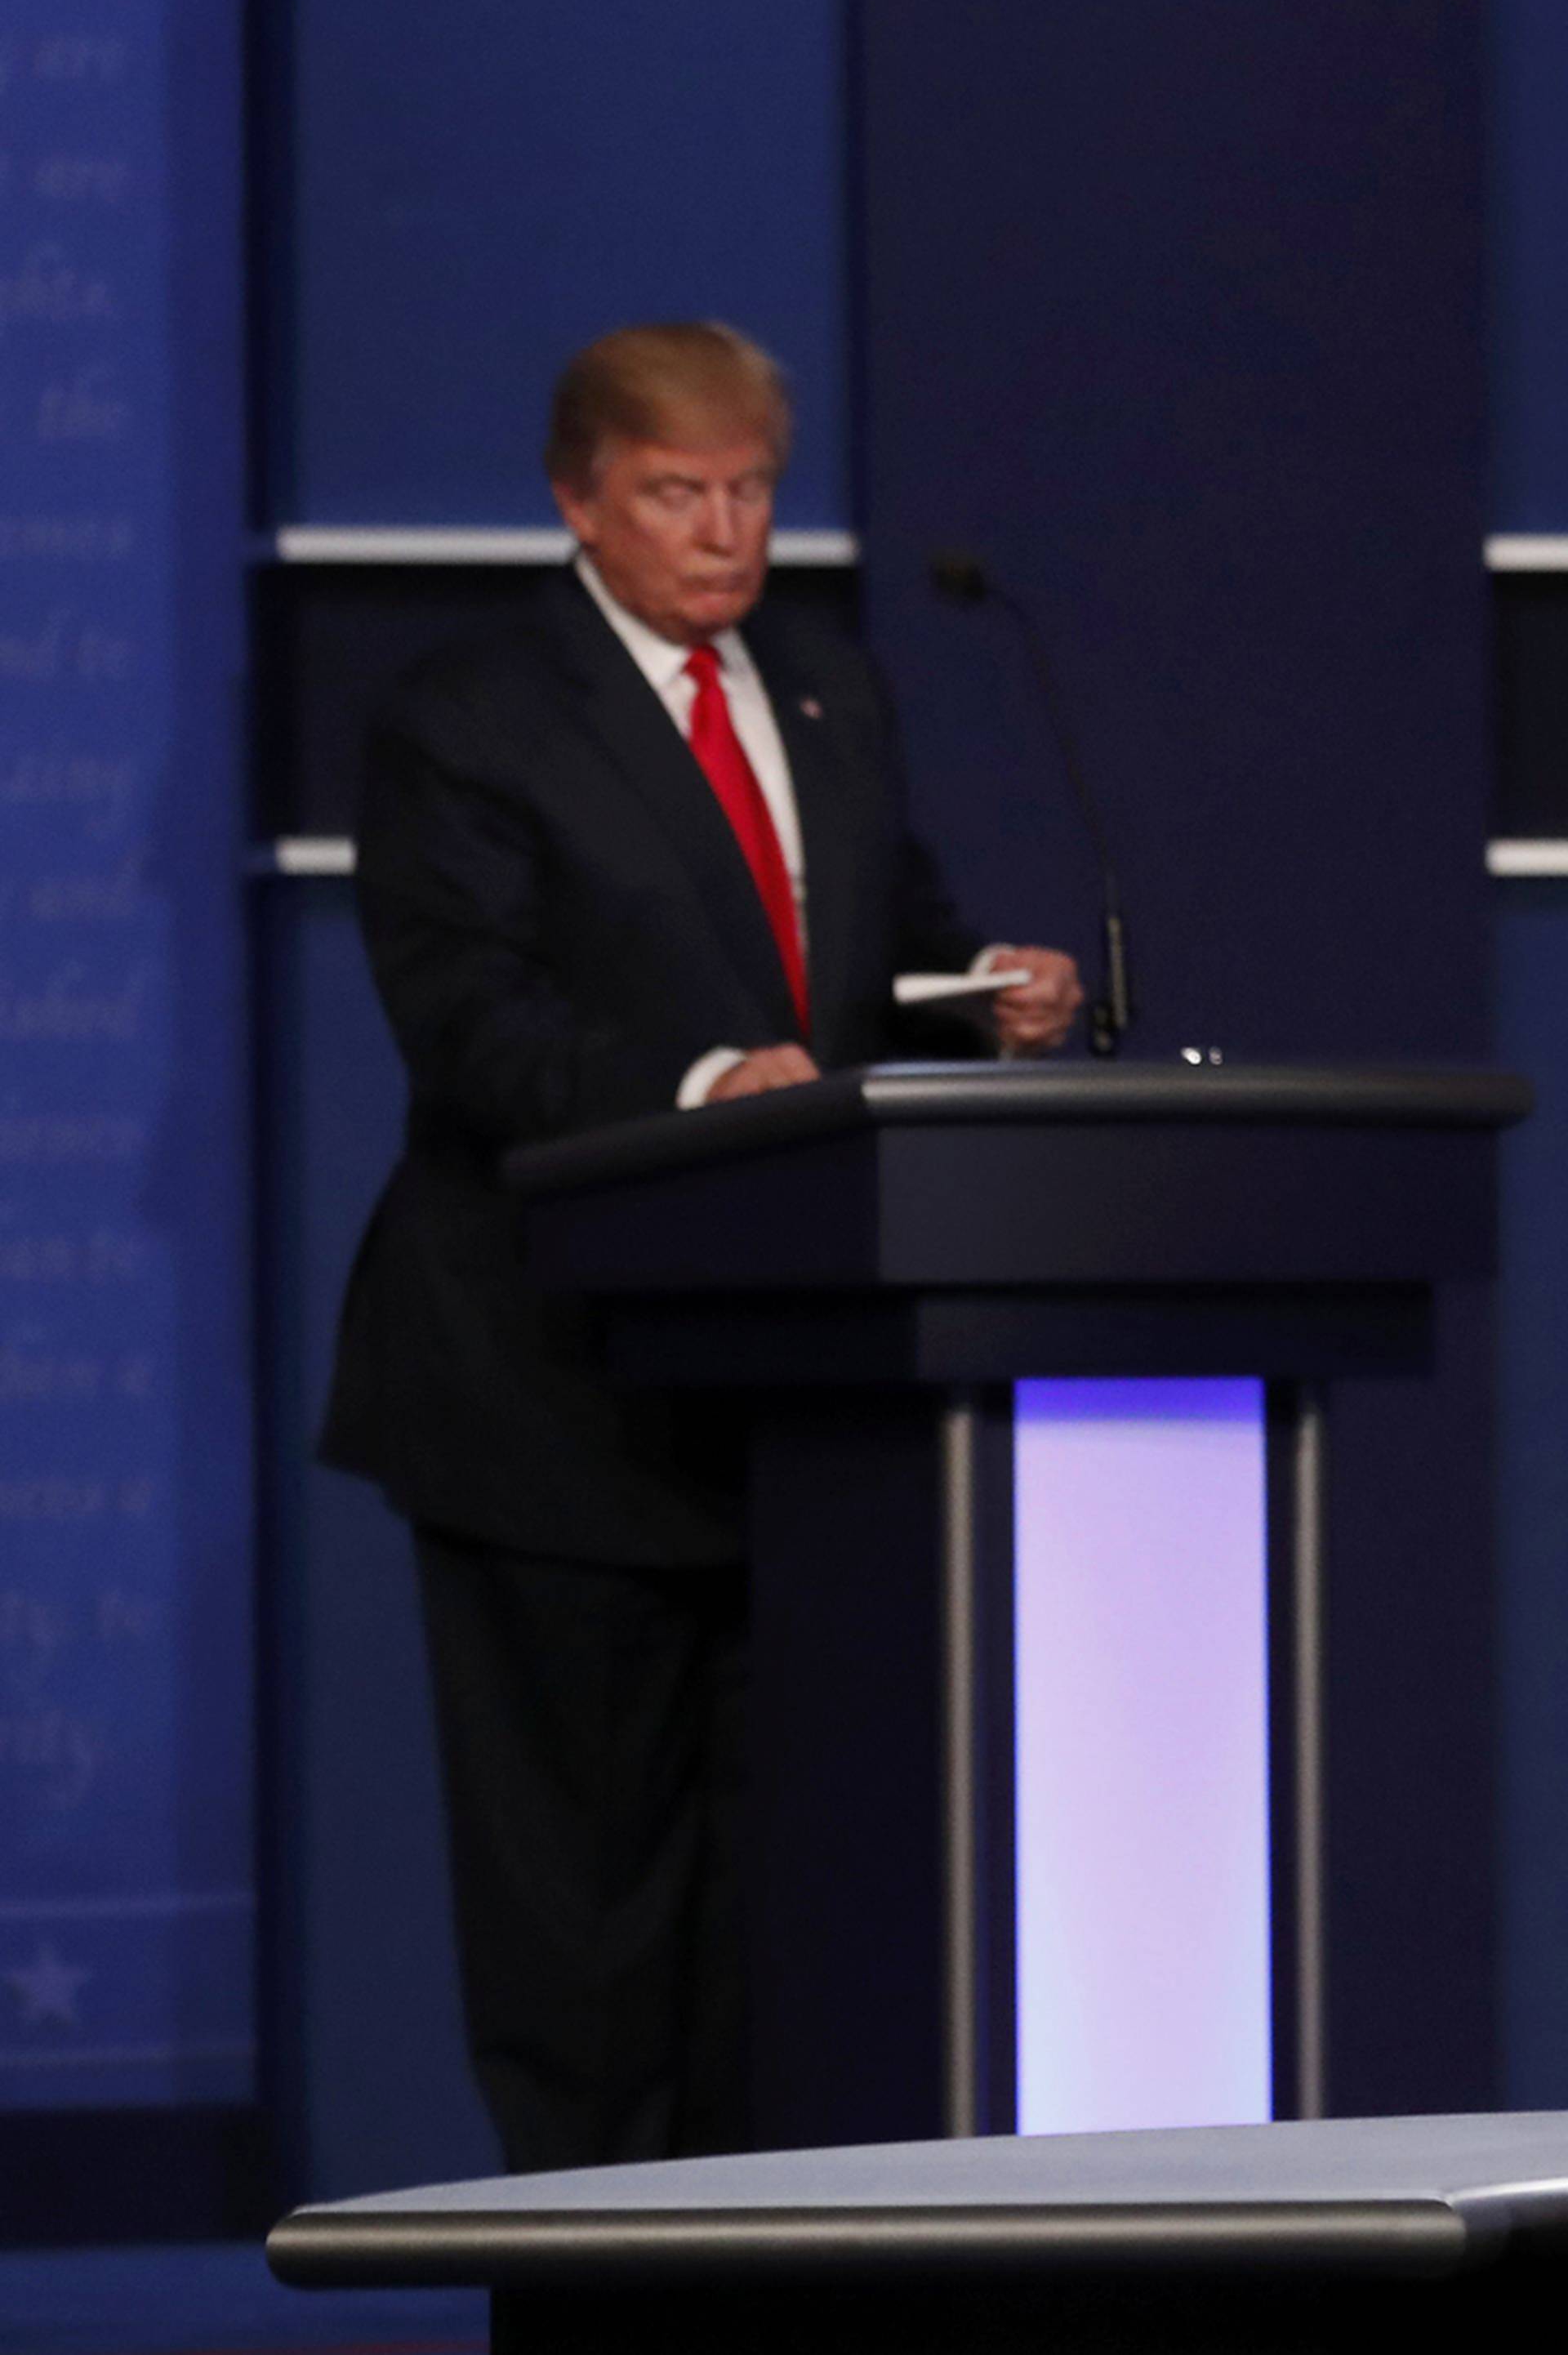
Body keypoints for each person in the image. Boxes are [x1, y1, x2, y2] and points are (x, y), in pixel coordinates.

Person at [321, 322, 1082, 2172]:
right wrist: (694, 1076)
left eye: (748, 490)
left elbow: (876, 958)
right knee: (584, 1917)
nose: (723, 531)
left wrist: (987, 1002)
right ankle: (587, 2266)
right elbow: (468, 1020)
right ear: (578, 499)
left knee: (772, 1905)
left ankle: (749, 2262)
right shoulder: (470, 713)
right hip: (547, 1390)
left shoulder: (829, 691)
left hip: (789, 1393)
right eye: (678, 493)